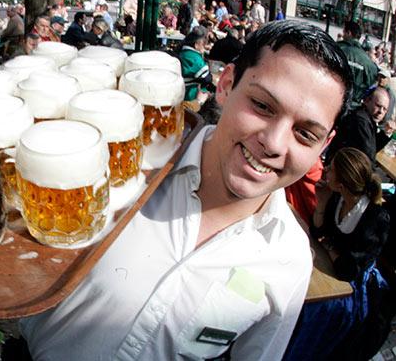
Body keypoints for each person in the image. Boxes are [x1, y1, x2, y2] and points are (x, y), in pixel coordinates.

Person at [20, 20, 353, 360]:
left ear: (323, 146)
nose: (273, 143)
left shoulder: (290, 260)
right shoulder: (117, 166)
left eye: (305, 134)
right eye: (263, 106)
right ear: (225, 85)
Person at [303, 147, 390, 359]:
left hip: (357, 289)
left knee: (316, 313)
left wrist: (329, 245)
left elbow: (348, 270)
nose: (325, 171)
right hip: (332, 266)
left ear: (342, 182)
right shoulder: (336, 198)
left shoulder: (375, 218)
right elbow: (318, 231)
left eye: (330, 169)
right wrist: (321, 202)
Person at [324, 86, 394, 166]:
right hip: (341, 170)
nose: (380, 112)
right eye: (378, 106)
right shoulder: (361, 121)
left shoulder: (367, 118)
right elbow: (368, 158)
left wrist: (386, 133)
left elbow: (372, 147)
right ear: (367, 101)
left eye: (384, 109)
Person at [337, 21, 379, 108]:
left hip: (334, 101)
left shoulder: (337, 49)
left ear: (349, 33)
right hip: (353, 107)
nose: (343, 34)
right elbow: (371, 83)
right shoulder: (367, 61)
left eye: (344, 32)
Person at [179, 26, 213, 101]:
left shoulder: (184, 52)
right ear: (196, 44)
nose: (205, 46)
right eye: (204, 43)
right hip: (189, 95)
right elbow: (207, 78)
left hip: (181, 90)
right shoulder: (194, 58)